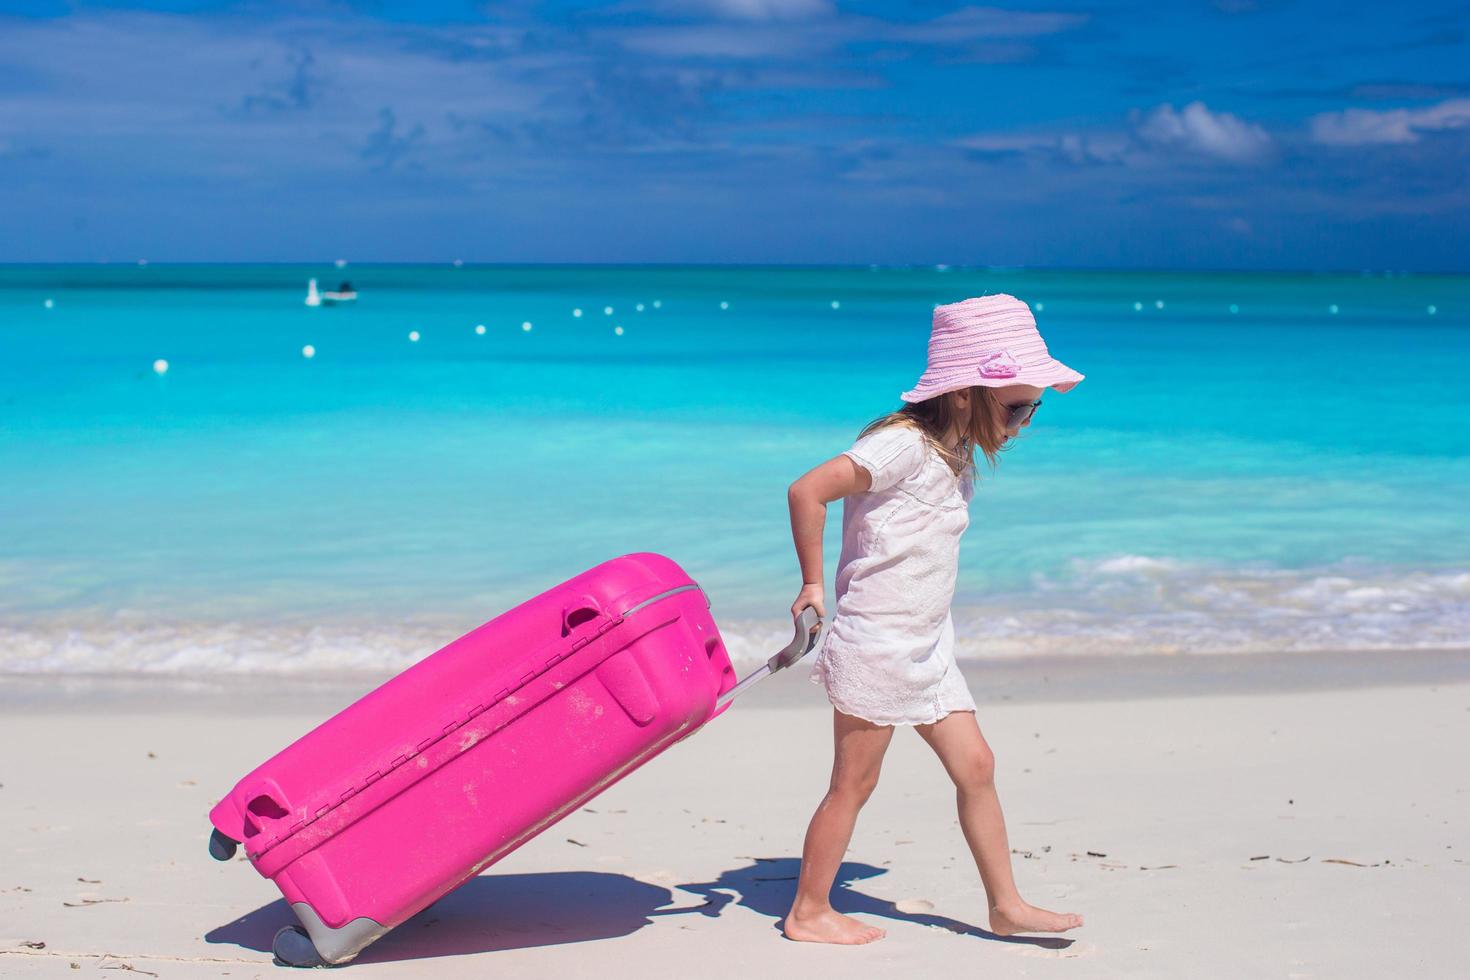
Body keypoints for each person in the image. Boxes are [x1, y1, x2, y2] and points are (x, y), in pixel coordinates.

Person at [781, 293, 1086, 945]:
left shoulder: (955, 458)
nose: (1027, 421)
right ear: (963, 395)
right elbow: (807, 489)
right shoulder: (900, 446)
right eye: (1019, 406)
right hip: (878, 648)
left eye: (1034, 407)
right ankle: (808, 910)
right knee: (854, 783)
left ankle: (1005, 905)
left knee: (977, 765)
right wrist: (812, 583)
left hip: (927, 648)